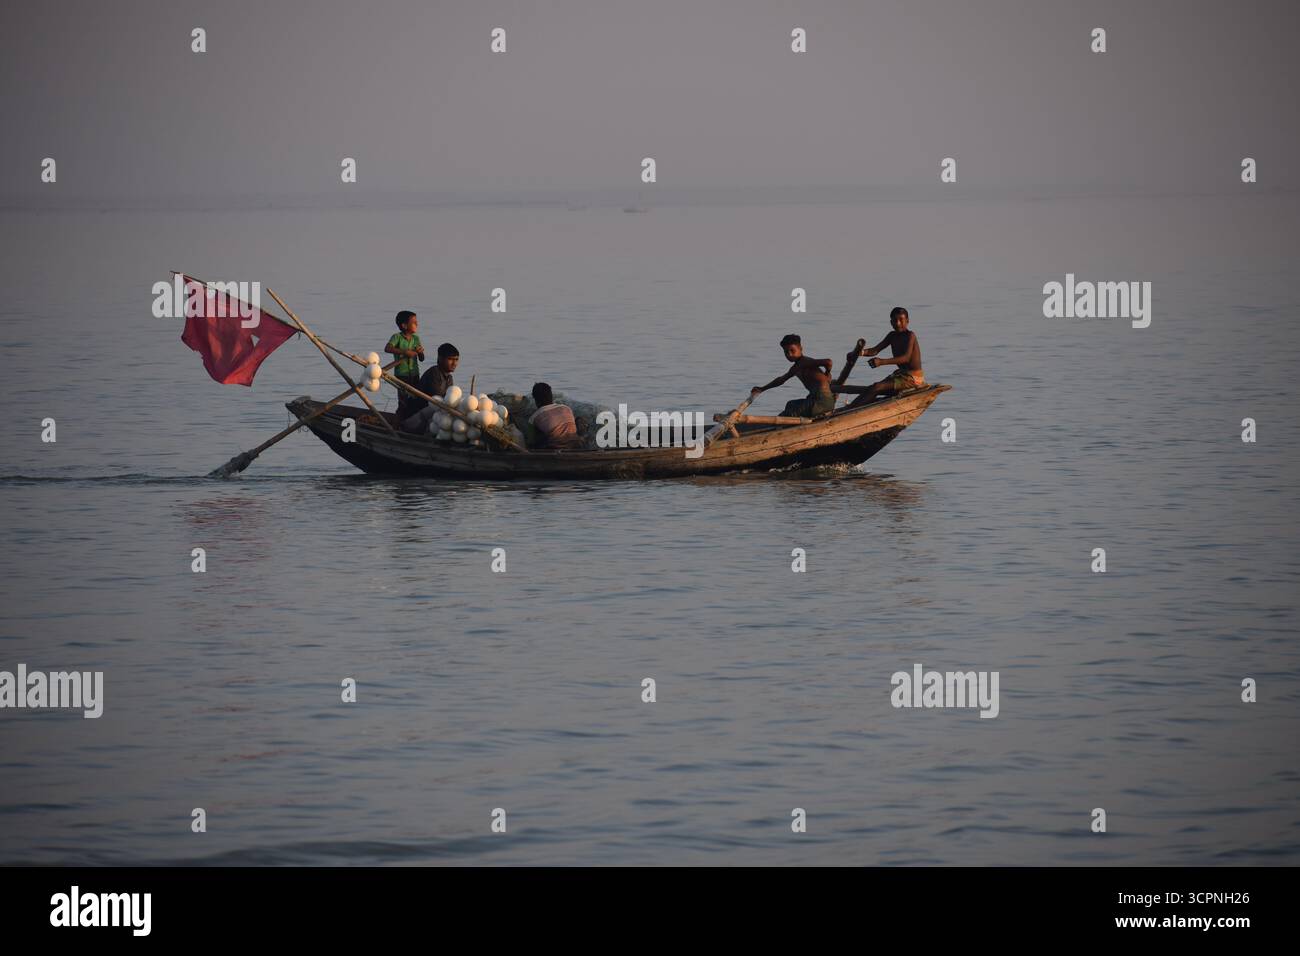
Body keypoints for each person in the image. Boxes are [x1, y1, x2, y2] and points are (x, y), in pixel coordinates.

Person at [836, 307, 924, 407]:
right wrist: (858, 353)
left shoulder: (910, 335)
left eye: (901, 320)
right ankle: (850, 408)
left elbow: (905, 358)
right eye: (895, 321)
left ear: (907, 321)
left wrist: (881, 362)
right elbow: (875, 350)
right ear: (891, 323)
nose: (898, 323)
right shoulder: (892, 335)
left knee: (877, 387)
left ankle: (851, 409)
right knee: (873, 387)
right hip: (901, 375)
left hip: (913, 378)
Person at [750, 334, 836, 418]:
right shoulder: (796, 367)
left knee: (787, 415)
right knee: (790, 404)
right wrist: (762, 389)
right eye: (786, 352)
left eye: (792, 351)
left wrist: (827, 374)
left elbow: (828, 362)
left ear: (800, 349)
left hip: (821, 402)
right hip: (814, 400)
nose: (789, 355)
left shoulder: (804, 362)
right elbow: (781, 380)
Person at [399, 342, 459, 434]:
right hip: (413, 420)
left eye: (456, 359)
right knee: (436, 407)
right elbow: (438, 401)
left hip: (426, 420)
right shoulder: (434, 373)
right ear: (440, 358)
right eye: (450, 359)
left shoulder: (449, 378)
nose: (454, 363)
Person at [384, 311, 424, 419]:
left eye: (417, 322)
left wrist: (420, 353)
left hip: (414, 374)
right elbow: (387, 348)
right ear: (404, 326)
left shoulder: (416, 339)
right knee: (403, 401)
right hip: (402, 375)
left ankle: (411, 420)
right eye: (414, 322)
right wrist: (404, 352)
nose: (417, 324)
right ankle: (399, 422)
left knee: (416, 399)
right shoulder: (397, 337)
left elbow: (421, 359)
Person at [526, 382, 580, 449]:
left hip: (555, 447)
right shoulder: (566, 408)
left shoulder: (533, 417)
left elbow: (531, 442)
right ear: (551, 395)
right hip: (576, 444)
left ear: (535, 399)